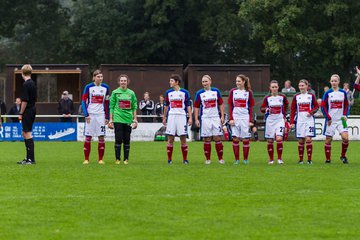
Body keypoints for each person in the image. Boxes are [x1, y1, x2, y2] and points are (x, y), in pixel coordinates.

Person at [194, 75, 225, 164]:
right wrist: (196, 119)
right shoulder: (199, 93)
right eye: (203, 82)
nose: (204, 83)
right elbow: (196, 107)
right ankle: (208, 159)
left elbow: (221, 104)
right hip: (205, 118)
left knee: (217, 137)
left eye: (206, 81)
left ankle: (220, 159)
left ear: (210, 81)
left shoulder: (216, 91)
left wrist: (222, 116)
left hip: (215, 118)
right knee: (207, 139)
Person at [81, 70, 110, 164]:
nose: (100, 78)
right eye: (98, 76)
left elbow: (106, 102)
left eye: (101, 76)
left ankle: (100, 159)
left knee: (101, 137)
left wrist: (107, 116)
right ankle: (86, 159)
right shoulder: (88, 87)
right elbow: (83, 101)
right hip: (91, 115)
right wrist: (86, 114)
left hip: (101, 115)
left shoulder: (106, 87)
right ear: (94, 77)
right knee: (88, 137)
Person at [163, 74, 192, 164]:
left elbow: (188, 106)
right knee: (170, 138)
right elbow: (166, 106)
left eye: (171, 81)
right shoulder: (168, 93)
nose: (170, 82)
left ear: (177, 82)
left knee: (183, 138)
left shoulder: (185, 92)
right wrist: (164, 117)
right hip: (171, 116)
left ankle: (185, 159)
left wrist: (190, 117)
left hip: (182, 116)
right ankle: (169, 160)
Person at [108, 74, 138, 165]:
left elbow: (134, 107)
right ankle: (117, 159)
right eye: (121, 80)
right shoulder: (115, 92)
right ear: (119, 82)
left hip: (128, 119)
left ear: (127, 82)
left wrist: (135, 119)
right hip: (117, 119)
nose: (123, 82)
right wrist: (110, 119)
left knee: (127, 139)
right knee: (118, 139)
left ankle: (126, 159)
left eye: (125, 80)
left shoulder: (131, 93)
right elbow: (111, 106)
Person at [321, 74, 349, 164]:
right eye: (332, 81)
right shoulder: (327, 93)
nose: (334, 82)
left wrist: (345, 114)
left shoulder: (343, 92)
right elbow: (323, 106)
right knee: (328, 140)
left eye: (335, 81)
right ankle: (328, 159)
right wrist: (328, 117)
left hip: (342, 120)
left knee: (346, 138)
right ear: (330, 82)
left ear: (338, 82)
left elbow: (346, 104)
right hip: (331, 121)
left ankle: (343, 156)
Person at [290, 79, 319, 164]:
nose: (301, 87)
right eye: (300, 86)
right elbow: (292, 110)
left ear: (307, 86)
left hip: (309, 121)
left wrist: (311, 112)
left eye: (303, 85)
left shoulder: (311, 96)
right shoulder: (296, 96)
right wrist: (292, 122)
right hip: (300, 121)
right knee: (300, 141)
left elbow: (316, 106)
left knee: (308, 139)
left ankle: (309, 160)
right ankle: (301, 160)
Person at [228, 74, 255, 164]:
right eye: (236, 81)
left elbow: (251, 107)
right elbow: (230, 106)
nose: (237, 83)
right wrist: (231, 118)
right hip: (235, 117)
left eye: (239, 81)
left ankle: (245, 159)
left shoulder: (248, 92)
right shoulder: (233, 91)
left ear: (244, 82)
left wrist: (250, 120)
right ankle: (237, 160)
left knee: (245, 139)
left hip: (245, 118)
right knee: (235, 138)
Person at [260, 80, 289, 164]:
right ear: (270, 88)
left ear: (278, 88)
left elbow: (287, 105)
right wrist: (266, 109)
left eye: (276, 87)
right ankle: (271, 159)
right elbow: (261, 108)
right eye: (273, 87)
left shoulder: (282, 97)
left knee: (279, 139)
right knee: (270, 140)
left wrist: (285, 116)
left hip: (279, 120)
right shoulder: (267, 98)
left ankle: (279, 159)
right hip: (270, 121)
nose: (274, 89)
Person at [17, 64, 37, 165]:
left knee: (27, 133)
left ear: (22, 72)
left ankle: (31, 159)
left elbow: (24, 101)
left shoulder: (26, 84)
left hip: (28, 110)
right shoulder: (32, 83)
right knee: (24, 133)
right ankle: (27, 157)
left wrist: (21, 113)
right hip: (32, 109)